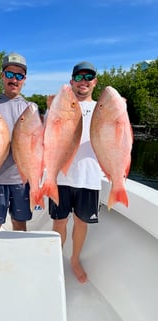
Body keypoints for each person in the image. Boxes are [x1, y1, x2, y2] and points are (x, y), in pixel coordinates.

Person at [49, 61, 102, 283]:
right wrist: (51, 108)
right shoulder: (60, 104)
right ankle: (54, 261)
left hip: (89, 178)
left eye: (88, 77)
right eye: (78, 77)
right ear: (72, 82)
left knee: (81, 222)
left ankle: (74, 259)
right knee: (59, 222)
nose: (84, 81)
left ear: (95, 82)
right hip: (60, 176)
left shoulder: (103, 107)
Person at [0, 52, 35, 251]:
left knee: (20, 225)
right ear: (2, 76)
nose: (14, 79)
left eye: (19, 76)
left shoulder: (32, 108)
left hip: (22, 180)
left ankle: (19, 265)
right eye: (10, 74)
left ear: (25, 80)